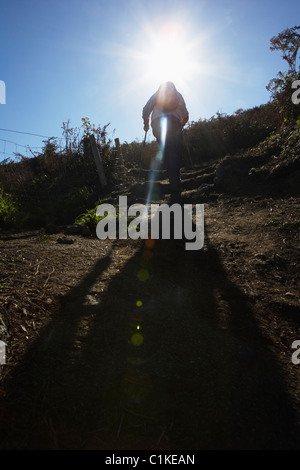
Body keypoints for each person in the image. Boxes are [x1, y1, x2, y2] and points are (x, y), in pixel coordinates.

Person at [142, 81, 189, 200]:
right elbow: (185, 113)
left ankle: (172, 179)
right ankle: (175, 181)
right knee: (175, 152)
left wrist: (146, 123)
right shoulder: (177, 95)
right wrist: (182, 123)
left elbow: (146, 110)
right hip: (174, 123)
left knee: (166, 151)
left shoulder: (156, 95)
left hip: (158, 124)